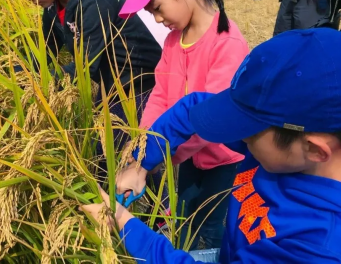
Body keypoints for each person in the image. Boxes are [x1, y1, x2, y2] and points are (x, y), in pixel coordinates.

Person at [84, 27, 341, 263]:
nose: (240, 137)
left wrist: (123, 224)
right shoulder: (282, 145)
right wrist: (141, 163)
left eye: (247, 132)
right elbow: (192, 109)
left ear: (316, 149)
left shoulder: (319, 246)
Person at [0, 0, 162, 167]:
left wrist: (37, 85)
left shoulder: (94, 0)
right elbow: (46, 49)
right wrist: (16, 71)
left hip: (140, 85)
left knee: (111, 156)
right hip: (113, 81)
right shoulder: (54, 5)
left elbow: (86, 68)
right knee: (99, 150)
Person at [118, 0, 248, 248]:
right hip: (187, 157)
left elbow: (210, 122)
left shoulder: (226, 43)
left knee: (209, 231)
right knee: (186, 219)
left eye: (158, 8)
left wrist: (151, 160)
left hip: (223, 163)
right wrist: (142, 146)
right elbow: (160, 95)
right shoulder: (174, 42)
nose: (159, 19)